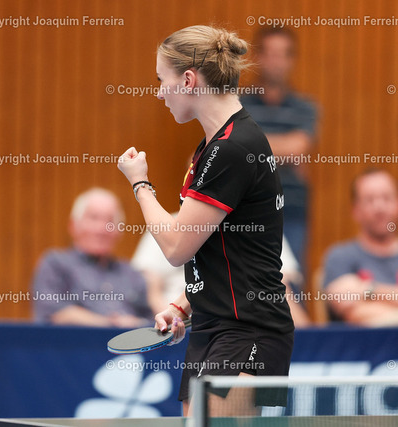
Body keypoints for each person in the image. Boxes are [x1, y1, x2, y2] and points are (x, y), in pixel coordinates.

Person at [117, 25, 294, 416]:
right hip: (215, 325)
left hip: (249, 329)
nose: (159, 93)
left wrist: (140, 184)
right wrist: (184, 304)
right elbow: (225, 251)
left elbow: (176, 248)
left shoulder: (233, 148)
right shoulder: (215, 146)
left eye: (161, 80)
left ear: (188, 80)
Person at [323, 169, 398, 326]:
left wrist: (369, 290)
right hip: (365, 342)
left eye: (387, 198)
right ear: (355, 210)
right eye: (369, 200)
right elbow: (352, 313)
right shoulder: (339, 257)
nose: (379, 207)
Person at [241, 27, 318, 268]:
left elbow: (297, 148)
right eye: (271, 54)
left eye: (283, 54)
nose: (276, 62)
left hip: (291, 210)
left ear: (291, 60)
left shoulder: (305, 108)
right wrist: (282, 148)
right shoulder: (237, 104)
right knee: (246, 277)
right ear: (258, 57)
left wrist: (250, 145)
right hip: (245, 209)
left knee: (291, 279)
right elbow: (232, 147)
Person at [133, 228, 310, 327]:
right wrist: (176, 318)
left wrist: (308, 337)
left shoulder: (263, 231)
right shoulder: (167, 228)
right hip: (190, 328)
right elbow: (153, 290)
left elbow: (280, 288)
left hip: (243, 329)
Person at [32, 188, 152, 327]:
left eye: (110, 221)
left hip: (131, 340)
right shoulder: (55, 264)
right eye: (93, 218)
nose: (102, 229)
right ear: (73, 225)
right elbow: (55, 314)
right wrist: (112, 324)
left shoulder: (132, 273)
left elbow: (150, 321)